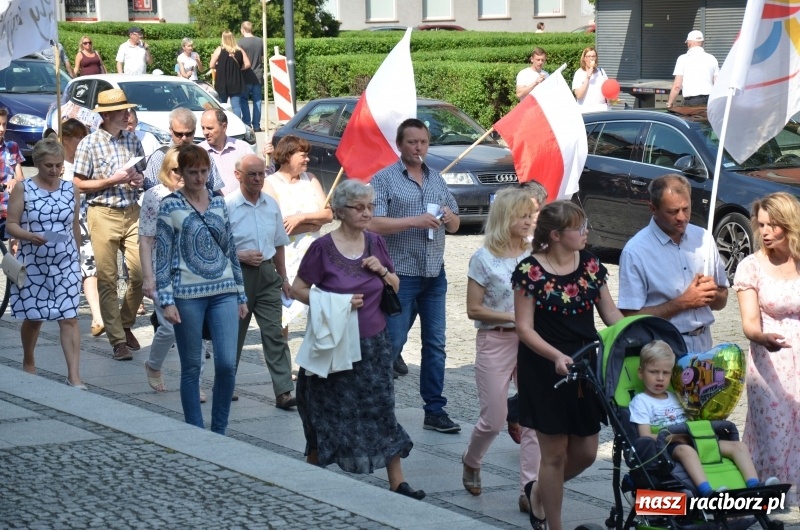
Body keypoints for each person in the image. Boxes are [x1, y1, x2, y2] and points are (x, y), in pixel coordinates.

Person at [290, 179, 424, 501]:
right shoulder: (322, 249)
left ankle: (397, 481)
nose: (366, 213)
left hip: (373, 343)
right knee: (324, 409)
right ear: (339, 210)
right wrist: (337, 302)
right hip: (333, 343)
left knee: (381, 408)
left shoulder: (375, 243)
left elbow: (395, 284)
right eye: (359, 207)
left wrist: (382, 272)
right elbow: (297, 289)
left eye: (370, 207)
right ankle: (311, 475)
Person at [511, 200, 624, 530]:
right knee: (555, 454)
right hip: (544, 369)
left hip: (584, 366)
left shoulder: (590, 264)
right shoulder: (529, 271)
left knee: (587, 452)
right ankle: (554, 524)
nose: (586, 232)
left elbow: (610, 313)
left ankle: (538, 492)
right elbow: (524, 328)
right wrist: (555, 356)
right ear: (556, 235)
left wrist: (635, 335)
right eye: (579, 227)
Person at [369, 118, 461, 433]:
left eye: (423, 142)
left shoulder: (437, 179)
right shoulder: (384, 179)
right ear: (400, 145)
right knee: (392, 343)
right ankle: (377, 408)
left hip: (434, 273)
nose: (418, 147)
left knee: (435, 344)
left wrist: (448, 216)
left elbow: (456, 224)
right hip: (400, 275)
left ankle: (435, 410)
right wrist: (414, 221)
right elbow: (373, 223)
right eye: (412, 142)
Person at [156, 144, 248, 434]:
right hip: (187, 295)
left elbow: (230, 249)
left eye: (204, 171)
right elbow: (162, 255)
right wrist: (166, 300)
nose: (199, 177)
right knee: (192, 365)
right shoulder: (170, 205)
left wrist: (241, 294)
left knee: (227, 364)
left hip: (224, 290)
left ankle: (219, 430)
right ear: (181, 173)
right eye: (193, 172)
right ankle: (195, 430)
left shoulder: (219, 202)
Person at [462, 188, 541, 512]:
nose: (530, 221)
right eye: (523, 216)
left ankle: (529, 491)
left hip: (530, 343)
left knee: (534, 419)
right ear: (505, 218)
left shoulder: (535, 254)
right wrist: (514, 317)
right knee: (494, 419)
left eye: (531, 215)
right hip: (495, 340)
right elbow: (473, 309)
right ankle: (471, 460)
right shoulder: (483, 258)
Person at [629, 340, 779, 495]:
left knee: (739, 447)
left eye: (666, 373)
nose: (660, 378)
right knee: (686, 451)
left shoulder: (678, 395)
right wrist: (675, 437)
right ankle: (706, 490)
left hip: (696, 438)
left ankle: (754, 486)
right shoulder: (641, 402)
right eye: (654, 372)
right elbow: (645, 436)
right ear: (641, 373)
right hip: (669, 446)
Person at [733, 192, 800, 506]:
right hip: (770, 360)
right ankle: (769, 498)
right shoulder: (751, 266)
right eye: (761, 225)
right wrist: (762, 338)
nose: (765, 232)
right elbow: (749, 324)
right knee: (773, 433)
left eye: (773, 225)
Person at [72, 88, 147, 361]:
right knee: (107, 279)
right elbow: (78, 184)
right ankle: (117, 340)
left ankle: (125, 323)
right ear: (105, 115)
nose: (128, 114)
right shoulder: (89, 143)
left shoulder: (133, 139)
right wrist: (111, 180)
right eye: (121, 111)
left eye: (127, 109)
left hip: (132, 210)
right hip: (102, 213)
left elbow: (141, 174)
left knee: (140, 274)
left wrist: (137, 179)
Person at [6, 138, 84, 389]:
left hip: (65, 262)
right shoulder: (24, 188)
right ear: (38, 163)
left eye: (58, 165)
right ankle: (28, 359)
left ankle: (74, 376)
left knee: (69, 317)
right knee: (34, 317)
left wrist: (77, 256)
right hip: (34, 262)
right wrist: (29, 236)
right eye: (49, 165)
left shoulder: (71, 189)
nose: (54, 170)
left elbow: (74, 226)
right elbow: (11, 224)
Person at [618, 174, 728, 353]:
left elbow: (722, 300)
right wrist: (682, 303)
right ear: (653, 208)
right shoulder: (636, 252)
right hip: (662, 350)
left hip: (704, 344)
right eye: (672, 211)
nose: (682, 217)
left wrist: (712, 294)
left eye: (686, 209)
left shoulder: (704, 238)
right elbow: (629, 317)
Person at [227, 153, 297, 410]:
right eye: (252, 174)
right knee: (234, 333)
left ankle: (284, 391)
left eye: (261, 174)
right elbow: (216, 248)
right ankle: (226, 384)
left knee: (274, 332)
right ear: (238, 176)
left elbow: (278, 243)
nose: (258, 179)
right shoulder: (227, 206)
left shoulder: (270, 204)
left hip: (267, 275)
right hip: (238, 276)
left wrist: (284, 277)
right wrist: (239, 255)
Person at [264, 135, 333, 334]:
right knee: (284, 312)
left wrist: (300, 218)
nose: (307, 159)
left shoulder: (310, 178)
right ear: (287, 156)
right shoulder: (270, 183)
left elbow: (328, 215)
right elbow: (278, 226)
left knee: (318, 308)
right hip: (285, 256)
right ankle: (282, 351)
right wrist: (313, 224)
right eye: (303, 155)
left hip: (313, 254)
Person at [59, 119, 104, 337]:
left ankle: (97, 316)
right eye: (80, 137)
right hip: (61, 222)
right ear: (66, 139)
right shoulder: (57, 163)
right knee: (64, 268)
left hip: (83, 218)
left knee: (89, 266)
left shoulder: (84, 161)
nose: (84, 141)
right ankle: (62, 308)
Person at [143, 107, 224, 193]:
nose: (184, 138)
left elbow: (216, 190)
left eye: (189, 134)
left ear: (194, 130)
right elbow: (150, 192)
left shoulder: (203, 155)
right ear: (171, 130)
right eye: (179, 134)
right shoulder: (159, 157)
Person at [199, 108, 253, 195]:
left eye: (209, 128)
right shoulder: (199, 152)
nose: (205, 132)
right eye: (203, 128)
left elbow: (258, 175)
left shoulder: (242, 148)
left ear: (224, 127)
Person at [666, 31, 719, 109]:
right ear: (702, 42)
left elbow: (677, 86)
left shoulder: (683, 59)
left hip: (692, 102)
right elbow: (717, 84)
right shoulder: (712, 58)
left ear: (689, 43)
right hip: (710, 100)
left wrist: (670, 103)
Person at [208, 31, 250, 118]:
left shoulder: (219, 50)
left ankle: (221, 122)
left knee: (221, 105)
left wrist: (219, 67)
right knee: (236, 106)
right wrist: (239, 68)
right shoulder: (239, 50)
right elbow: (248, 64)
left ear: (223, 39)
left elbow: (211, 65)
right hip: (236, 81)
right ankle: (237, 123)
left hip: (222, 81)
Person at [238, 21, 265, 131]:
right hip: (258, 75)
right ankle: (257, 126)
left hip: (244, 76)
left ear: (242, 30)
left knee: (243, 100)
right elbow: (263, 57)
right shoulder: (260, 41)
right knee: (257, 101)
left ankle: (247, 124)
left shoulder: (240, 43)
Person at [1, 108, 25, 225]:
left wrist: (15, 180)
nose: (2, 129)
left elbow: (21, 177)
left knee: (15, 235)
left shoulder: (12, 147)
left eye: (4, 124)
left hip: (9, 208)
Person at [572, 46, 609, 113]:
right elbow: (578, 95)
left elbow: (608, 90)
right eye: (588, 56)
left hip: (601, 110)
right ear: (584, 58)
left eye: (593, 56)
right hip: (585, 111)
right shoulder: (579, 73)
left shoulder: (601, 71)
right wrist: (587, 78)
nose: (591, 58)